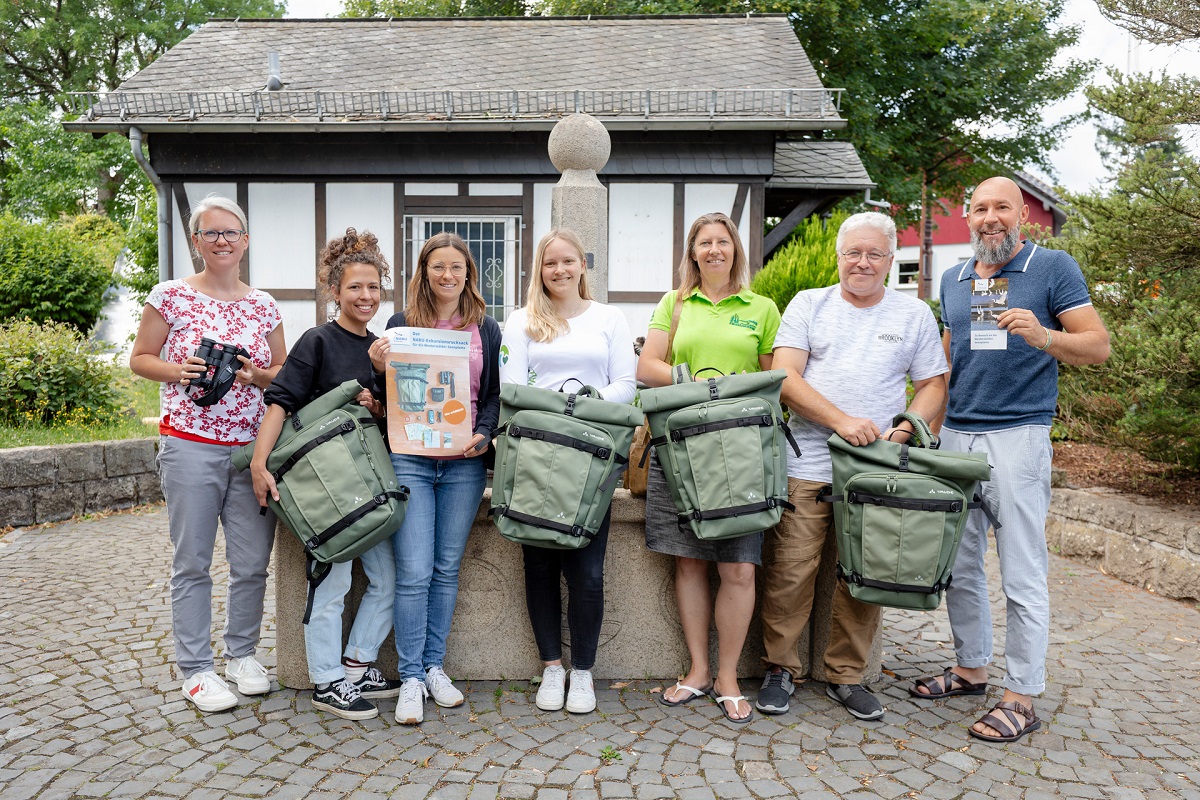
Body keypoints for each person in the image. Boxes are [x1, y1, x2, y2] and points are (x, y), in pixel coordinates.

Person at [912, 176, 1110, 743]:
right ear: (968, 217)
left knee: (1022, 571)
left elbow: (1097, 346)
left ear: (1023, 215)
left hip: (1018, 437)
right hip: (957, 437)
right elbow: (950, 360)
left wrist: (1045, 336)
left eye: (1002, 207)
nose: (990, 217)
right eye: (980, 208)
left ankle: (1022, 694)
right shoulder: (953, 278)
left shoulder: (1053, 268)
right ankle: (972, 669)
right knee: (959, 566)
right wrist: (926, 426)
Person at [756, 212, 947, 722]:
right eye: (852, 253)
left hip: (877, 468)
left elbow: (933, 386)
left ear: (889, 260)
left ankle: (846, 674)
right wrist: (838, 420)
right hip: (809, 464)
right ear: (839, 257)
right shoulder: (809, 304)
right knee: (791, 571)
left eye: (873, 254)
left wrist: (905, 429)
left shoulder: (913, 316)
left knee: (864, 573)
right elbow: (783, 375)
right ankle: (780, 668)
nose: (861, 262)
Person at [130, 194, 286, 713]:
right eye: (211, 233)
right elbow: (140, 358)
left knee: (251, 563)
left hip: (250, 451)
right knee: (192, 563)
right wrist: (181, 372)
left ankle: (242, 655)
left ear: (245, 241)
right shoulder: (170, 295)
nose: (222, 241)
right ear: (195, 241)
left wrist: (253, 375)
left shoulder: (263, 305)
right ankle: (196, 670)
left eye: (231, 233)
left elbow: (282, 378)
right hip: (190, 445)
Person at [636, 212, 781, 724]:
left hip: (740, 453)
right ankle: (698, 671)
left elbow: (773, 380)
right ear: (693, 253)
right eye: (705, 243)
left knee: (738, 566)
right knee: (690, 561)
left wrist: (721, 396)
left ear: (736, 251)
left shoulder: (761, 308)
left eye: (723, 242)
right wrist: (701, 386)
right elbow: (647, 366)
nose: (714, 250)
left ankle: (727, 676)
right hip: (682, 450)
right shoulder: (674, 304)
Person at [249, 229, 400, 721]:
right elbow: (281, 400)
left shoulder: (382, 350)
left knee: (387, 580)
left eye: (374, 287)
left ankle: (356, 664)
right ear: (334, 291)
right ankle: (326, 679)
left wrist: (379, 399)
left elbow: (390, 421)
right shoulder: (317, 340)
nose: (366, 297)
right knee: (332, 582)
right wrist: (258, 462)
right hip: (326, 490)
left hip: (371, 486)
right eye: (355, 287)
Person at [498, 229, 637, 714]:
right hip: (537, 455)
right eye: (550, 263)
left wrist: (585, 407)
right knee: (538, 566)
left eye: (567, 262)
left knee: (587, 570)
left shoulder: (609, 318)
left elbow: (626, 383)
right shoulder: (522, 321)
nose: (559, 271)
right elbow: (511, 388)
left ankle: (583, 672)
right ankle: (551, 667)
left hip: (592, 458)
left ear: (583, 265)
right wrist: (557, 412)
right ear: (539, 269)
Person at [372, 231, 501, 725]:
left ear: (469, 273)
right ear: (423, 273)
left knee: (447, 568)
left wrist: (485, 433)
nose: (447, 275)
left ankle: (433, 667)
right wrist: (379, 366)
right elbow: (386, 397)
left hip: (464, 461)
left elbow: (491, 396)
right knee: (415, 571)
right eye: (437, 267)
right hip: (412, 459)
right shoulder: (401, 324)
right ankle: (408, 677)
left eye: (456, 267)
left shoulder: (486, 329)